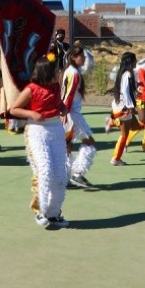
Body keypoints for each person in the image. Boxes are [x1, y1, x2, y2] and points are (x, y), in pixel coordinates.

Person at [9, 55, 70, 229]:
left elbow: (59, 104)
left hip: (56, 130)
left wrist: (63, 108)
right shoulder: (31, 89)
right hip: (36, 131)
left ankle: (53, 213)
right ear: (46, 71)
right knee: (45, 170)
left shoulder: (56, 86)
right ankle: (40, 210)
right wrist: (31, 114)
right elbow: (14, 109)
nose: (59, 72)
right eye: (56, 69)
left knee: (61, 175)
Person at [61, 46, 97, 188]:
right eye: (81, 56)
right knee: (89, 142)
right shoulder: (74, 73)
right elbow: (68, 95)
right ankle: (78, 173)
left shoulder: (68, 71)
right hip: (71, 114)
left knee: (67, 146)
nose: (84, 58)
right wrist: (64, 113)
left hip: (67, 112)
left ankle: (64, 178)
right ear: (74, 58)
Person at [109, 52, 139, 166]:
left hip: (122, 106)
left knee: (136, 126)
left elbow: (128, 90)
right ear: (130, 62)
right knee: (124, 135)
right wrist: (131, 106)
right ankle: (116, 159)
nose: (136, 62)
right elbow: (126, 92)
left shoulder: (125, 74)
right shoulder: (127, 74)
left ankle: (115, 122)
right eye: (135, 60)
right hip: (124, 108)